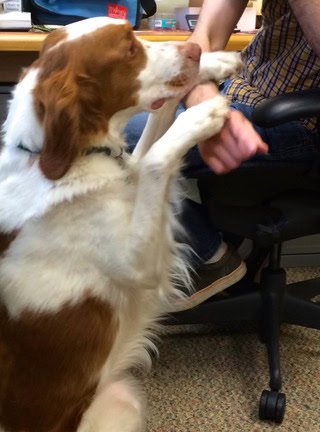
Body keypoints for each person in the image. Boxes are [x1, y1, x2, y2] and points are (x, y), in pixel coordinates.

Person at [126, 0, 320, 311]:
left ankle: (207, 255)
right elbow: (203, 40)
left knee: (111, 144)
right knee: (97, 127)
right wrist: (207, 106)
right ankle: (214, 254)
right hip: (239, 92)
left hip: (298, 121)